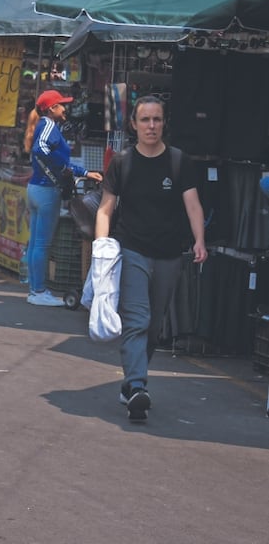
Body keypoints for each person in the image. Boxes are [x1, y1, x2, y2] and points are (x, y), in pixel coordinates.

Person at [94, 95, 207, 422]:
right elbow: (105, 208)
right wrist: (102, 249)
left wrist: (200, 240)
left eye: (157, 120)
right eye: (145, 120)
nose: (151, 126)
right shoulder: (122, 162)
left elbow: (193, 205)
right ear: (134, 124)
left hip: (170, 255)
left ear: (164, 123)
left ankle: (131, 382)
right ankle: (137, 385)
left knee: (154, 328)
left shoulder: (178, 161)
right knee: (138, 319)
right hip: (132, 251)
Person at [24, 89, 102, 306]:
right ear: (52, 109)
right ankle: (38, 292)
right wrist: (60, 166)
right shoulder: (48, 125)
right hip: (47, 191)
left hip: (36, 188)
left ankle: (34, 290)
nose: (64, 108)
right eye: (61, 104)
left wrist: (82, 172)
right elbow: (40, 149)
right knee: (41, 244)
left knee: (35, 244)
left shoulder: (43, 125)